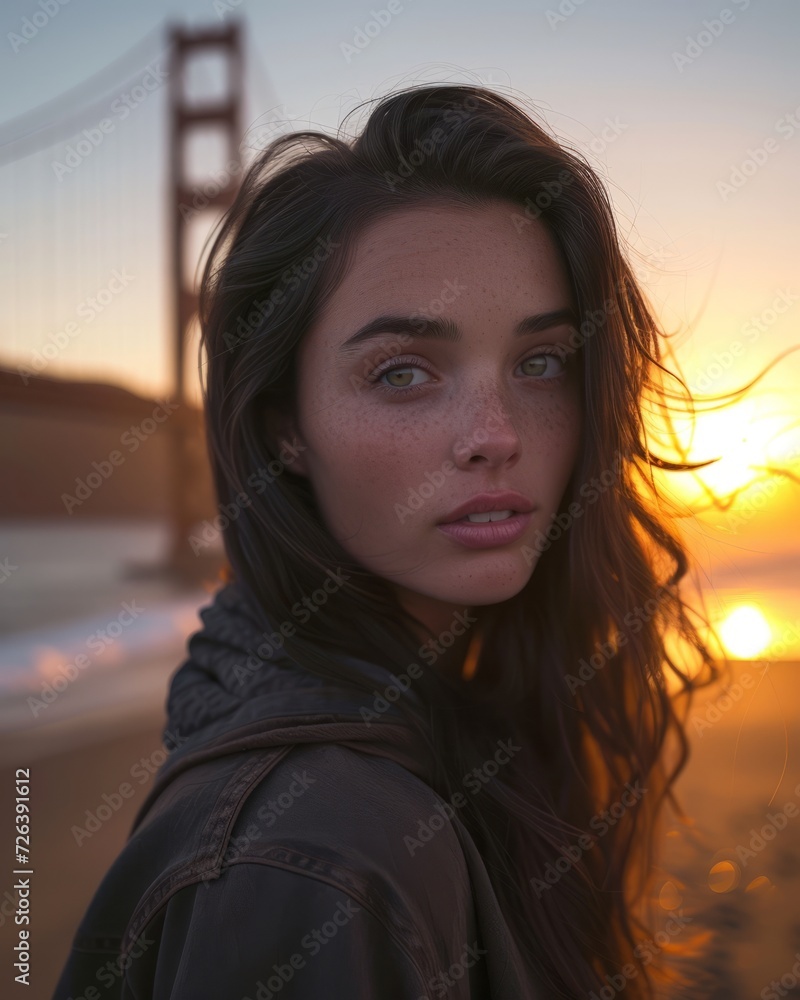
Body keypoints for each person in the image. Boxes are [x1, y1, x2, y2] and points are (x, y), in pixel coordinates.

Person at [52, 83, 723, 999]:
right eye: (403, 372)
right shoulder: (312, 864)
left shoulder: (443, 716)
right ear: (286, 423)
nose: (496, 433)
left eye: (541, 362)